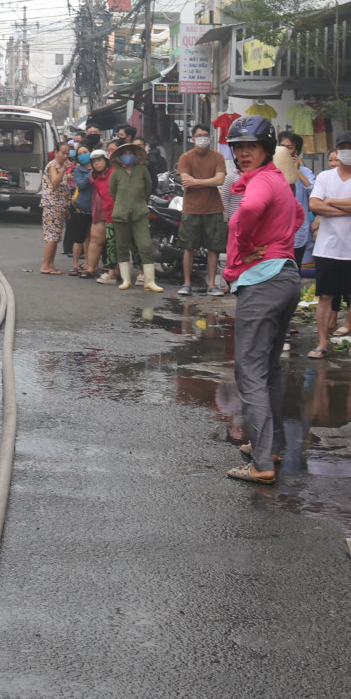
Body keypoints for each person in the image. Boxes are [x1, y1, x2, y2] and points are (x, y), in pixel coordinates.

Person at [220, 115, 305, 485]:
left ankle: (262, 464)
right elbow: (299, 215)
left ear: (267, 149)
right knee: (267, 369)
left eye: (249, 147)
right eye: (237, 148)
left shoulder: (261, 183)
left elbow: (249, 212)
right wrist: (275, 242)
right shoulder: (277, 181)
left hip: (265, 281)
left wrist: (242, 246)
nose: (242, 154)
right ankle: (269, 446)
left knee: (250, 371)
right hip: (285, 276)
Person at [309, 132, 351, 361]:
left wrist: (330, 202)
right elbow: (314, 205)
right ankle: (322, 342)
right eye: (342, 147)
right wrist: (343, 207)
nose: (346, 151)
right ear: (336, 151)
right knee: (325, 296)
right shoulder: (325, 177)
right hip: (327, 248)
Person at [174, 121, 227, 297]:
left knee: (214, 248)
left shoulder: (217, 157)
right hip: (191, 209)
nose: (203, 139)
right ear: (192, 138)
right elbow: (185, 179)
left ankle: (212, 284)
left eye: (206, 136)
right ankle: (186, 283)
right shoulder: (186, 157)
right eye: (199, 136)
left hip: (213, 209)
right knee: (188, 247)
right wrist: (207, 182)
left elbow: (220, 180)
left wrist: (196, 182)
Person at [107, 138, 162, 292]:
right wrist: (124, 203)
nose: (128, 156)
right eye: (125, 153)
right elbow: (113, 192)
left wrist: (138, 203)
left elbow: (148, 188)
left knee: (145, 245)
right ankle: (125, 280)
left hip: (140, 213)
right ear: (119, 157)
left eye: (131, 153)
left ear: (136, 155)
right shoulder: (117, 173)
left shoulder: (142, 170)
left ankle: (150, 281)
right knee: (122, 247)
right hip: (120, 214)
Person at [277, 130, 315, 266]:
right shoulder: (271, 169)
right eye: (282, 146)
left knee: (294, 266)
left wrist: (297, 171)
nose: (285, 150)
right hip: (276, 228)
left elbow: (313, 191)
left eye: (289, 147)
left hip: (298, 229)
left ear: (296, 151)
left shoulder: (305, 172)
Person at [39, 142, 72, 275]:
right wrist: (64, 170)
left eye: (67, 154)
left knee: (56, 236)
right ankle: (46, 265)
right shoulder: (53, 166)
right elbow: (54, 182)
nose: (65, 156)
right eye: (63, 153)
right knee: (52, 236)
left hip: (59, 206)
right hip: (52, 205)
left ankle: (50, 265)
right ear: (56, 152)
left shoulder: (58, 166)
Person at [85, 150, 115, 281]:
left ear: (106, 160)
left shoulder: (115, 173)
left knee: (116, 241)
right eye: (94, 161)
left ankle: (116, 270)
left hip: (115, 209)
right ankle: (91, 268)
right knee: (96, 238)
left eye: (99, 160)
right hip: (99, 207)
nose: (97, 164)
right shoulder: (93, 176)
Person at [65, 150, 95, 276]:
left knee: (90, 237)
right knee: (79, 238)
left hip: (95, 207)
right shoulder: (78, 170)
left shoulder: (97, 167)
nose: (83, 155)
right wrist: (90, 175)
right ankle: (75, 264)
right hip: (81, 206)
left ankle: (88, 263)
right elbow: (81, 185)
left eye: (86, 152)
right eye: (81, 153)